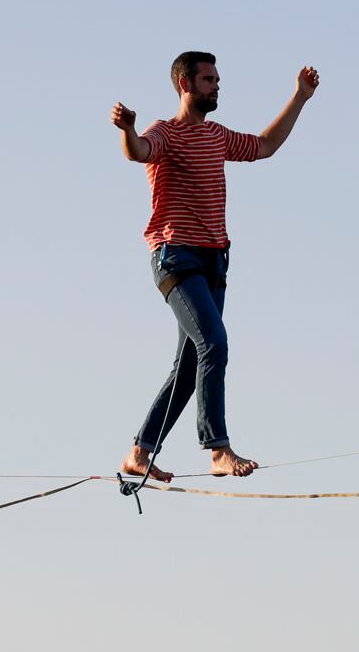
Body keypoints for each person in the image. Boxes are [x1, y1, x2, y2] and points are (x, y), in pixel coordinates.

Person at [112, 52, 319, 482]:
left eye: (218, 79)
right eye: (209, 79)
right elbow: (138, 152)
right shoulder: (164, 134)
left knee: (190, 366)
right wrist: (128, 130)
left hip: (213, 262)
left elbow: (265, 146)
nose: (217, 85)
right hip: (175, 255)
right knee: (215, 346)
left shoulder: (217, 136)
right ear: (186, 84)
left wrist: (299, 97)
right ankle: (217, 448)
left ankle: (140, 451)